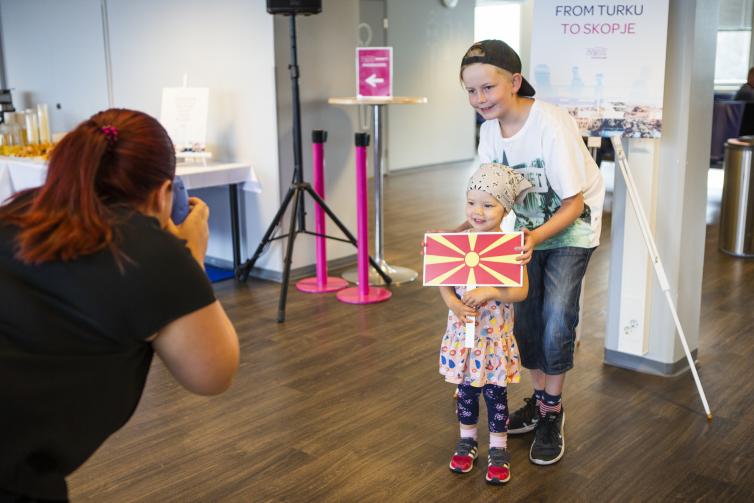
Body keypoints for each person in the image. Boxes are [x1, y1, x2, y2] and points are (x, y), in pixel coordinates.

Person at [0, 108, 239, 502]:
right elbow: (213, 375)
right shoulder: (150, 253)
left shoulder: (18, 212)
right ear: (164, 193)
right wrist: (189, 256)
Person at [458, 40, 605, 466]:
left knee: (557, 320)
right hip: (523, 233)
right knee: (524, 319)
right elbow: (488, 199)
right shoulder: (488, 133)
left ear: (515, 81)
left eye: (488, 88)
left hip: (570, 228)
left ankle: (550, 412)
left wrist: (534, 238)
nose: (479, 99)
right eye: (471, 91)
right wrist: (455, 231)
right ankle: (541, 400)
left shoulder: (551, 125)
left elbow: (574, 203)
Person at [438, 163, 531, 485]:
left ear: (505, 209)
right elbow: (443, 281)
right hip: (463, 336)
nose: (478, 211)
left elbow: (521, 291)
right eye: (471, 202)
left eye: (488, 205)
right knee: (465, 393)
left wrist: (491, 290)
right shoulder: (457, 240)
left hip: (495, 339)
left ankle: (498, 447)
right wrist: (452, 302)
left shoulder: (510, 246)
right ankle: (466, 440)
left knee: (495, 395)